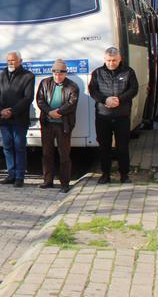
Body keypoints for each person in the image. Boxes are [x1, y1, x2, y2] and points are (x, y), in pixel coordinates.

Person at [88, 46, 138, 184]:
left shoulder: (128, 72)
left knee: (123, 146)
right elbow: (93, 91)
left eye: (114, 60)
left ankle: (124, 175)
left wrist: (119, 100)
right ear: (104, 59)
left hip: (122, 115)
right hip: (103, 116)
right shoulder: (97, 73)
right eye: (109, 60)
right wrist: (105, 100)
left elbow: (134, 89)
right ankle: (105, 174)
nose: (111, 63)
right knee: (104, 147)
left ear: (120, 58)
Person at [35, 59, 79, 193]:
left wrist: (58, 112)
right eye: (55, 74)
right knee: (47, 153)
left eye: (60, 74)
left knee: (64, 154)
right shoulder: (45, 83)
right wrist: (49, 112)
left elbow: (72, 103)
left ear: (65, 74)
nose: (57, 77)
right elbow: (40, 100)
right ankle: (48, 181)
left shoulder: (72, 86)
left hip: (63, 125)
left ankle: (65, 183)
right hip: (48, 123)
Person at [0, 51, 34, 187]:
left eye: (13, 60)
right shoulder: (1, 75)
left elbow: (28, 98)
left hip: (19, 118)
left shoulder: (28, 76)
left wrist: (12, 111)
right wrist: (0, 110)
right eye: (8, 60)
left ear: (20, 61)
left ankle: (19, 177)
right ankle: (11, 174)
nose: (10, 63)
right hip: (4, 118)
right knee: (7, 147)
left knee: (19, 147)